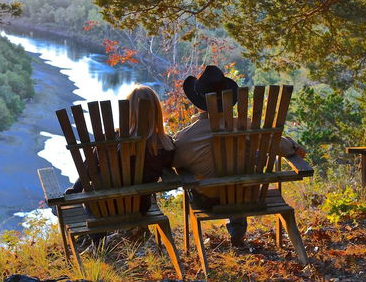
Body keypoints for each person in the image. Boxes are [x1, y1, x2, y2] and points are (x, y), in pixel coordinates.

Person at [172, 65, 306, 247]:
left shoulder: (186, 138)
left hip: (209, 200)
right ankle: (237, 226)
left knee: (203, 177)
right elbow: (280, 145)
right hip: (248, 196)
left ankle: (234, 226)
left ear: (199, 103)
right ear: (228, 100)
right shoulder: (245, 128)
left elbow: (174, 162)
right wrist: (294, 146)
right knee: (241, 169)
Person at [65, 85, 175, 242]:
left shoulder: (109, 141)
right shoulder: (166, 145)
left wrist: (74, 190)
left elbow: (87, 171)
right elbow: (168, 169)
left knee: (87, 199)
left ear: (127, 112)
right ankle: (101, 243)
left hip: (101, 209)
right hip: (138, 208)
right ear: (157, 111)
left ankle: (98, 241)